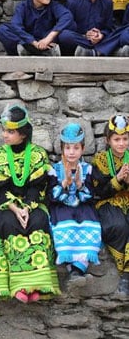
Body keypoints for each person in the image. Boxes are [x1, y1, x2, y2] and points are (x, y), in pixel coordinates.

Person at [0, 105, 59, 303]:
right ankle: (15, 286)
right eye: (4, 130)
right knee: (6, 222)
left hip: (32, 204)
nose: (4, 135)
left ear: (23, 134)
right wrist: (14, 207)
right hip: (5, 205)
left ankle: (37, 285)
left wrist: (27, 208)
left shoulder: (38, 155)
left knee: (38, 221)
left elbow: (38, 187)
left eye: (10, 132)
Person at [48, 123, 101, 288]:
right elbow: (52, 197)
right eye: (68, 148)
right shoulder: (54, 169)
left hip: (82, 207)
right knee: (65, 225)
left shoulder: (88, 169)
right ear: (62, 149)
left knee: (90, 226)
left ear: (82, 149)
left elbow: (90, 196)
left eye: (76, 148)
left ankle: (77, 269)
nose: (71, 152)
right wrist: (64, 182)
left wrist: (79, 184)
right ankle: (74, 269)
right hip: (62, 207)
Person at [91, 114, 129, 295]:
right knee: (117, 225)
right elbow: (99, 191)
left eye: (125, 139)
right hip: (108, 202)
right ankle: (124, 271)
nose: (121, 143)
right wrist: (118, 179)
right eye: (117, 139)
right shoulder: (101, 160)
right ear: (108, 140)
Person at [0, 0, 73, 56]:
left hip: (47, 41)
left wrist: (48, 38)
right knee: (2, 30)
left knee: (66, 34)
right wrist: (33, 42)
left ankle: (37, 51)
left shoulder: (54, 5)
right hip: (28, 42)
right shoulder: (23, 6)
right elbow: (16, 25)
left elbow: (67, 16)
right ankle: (35, 51)